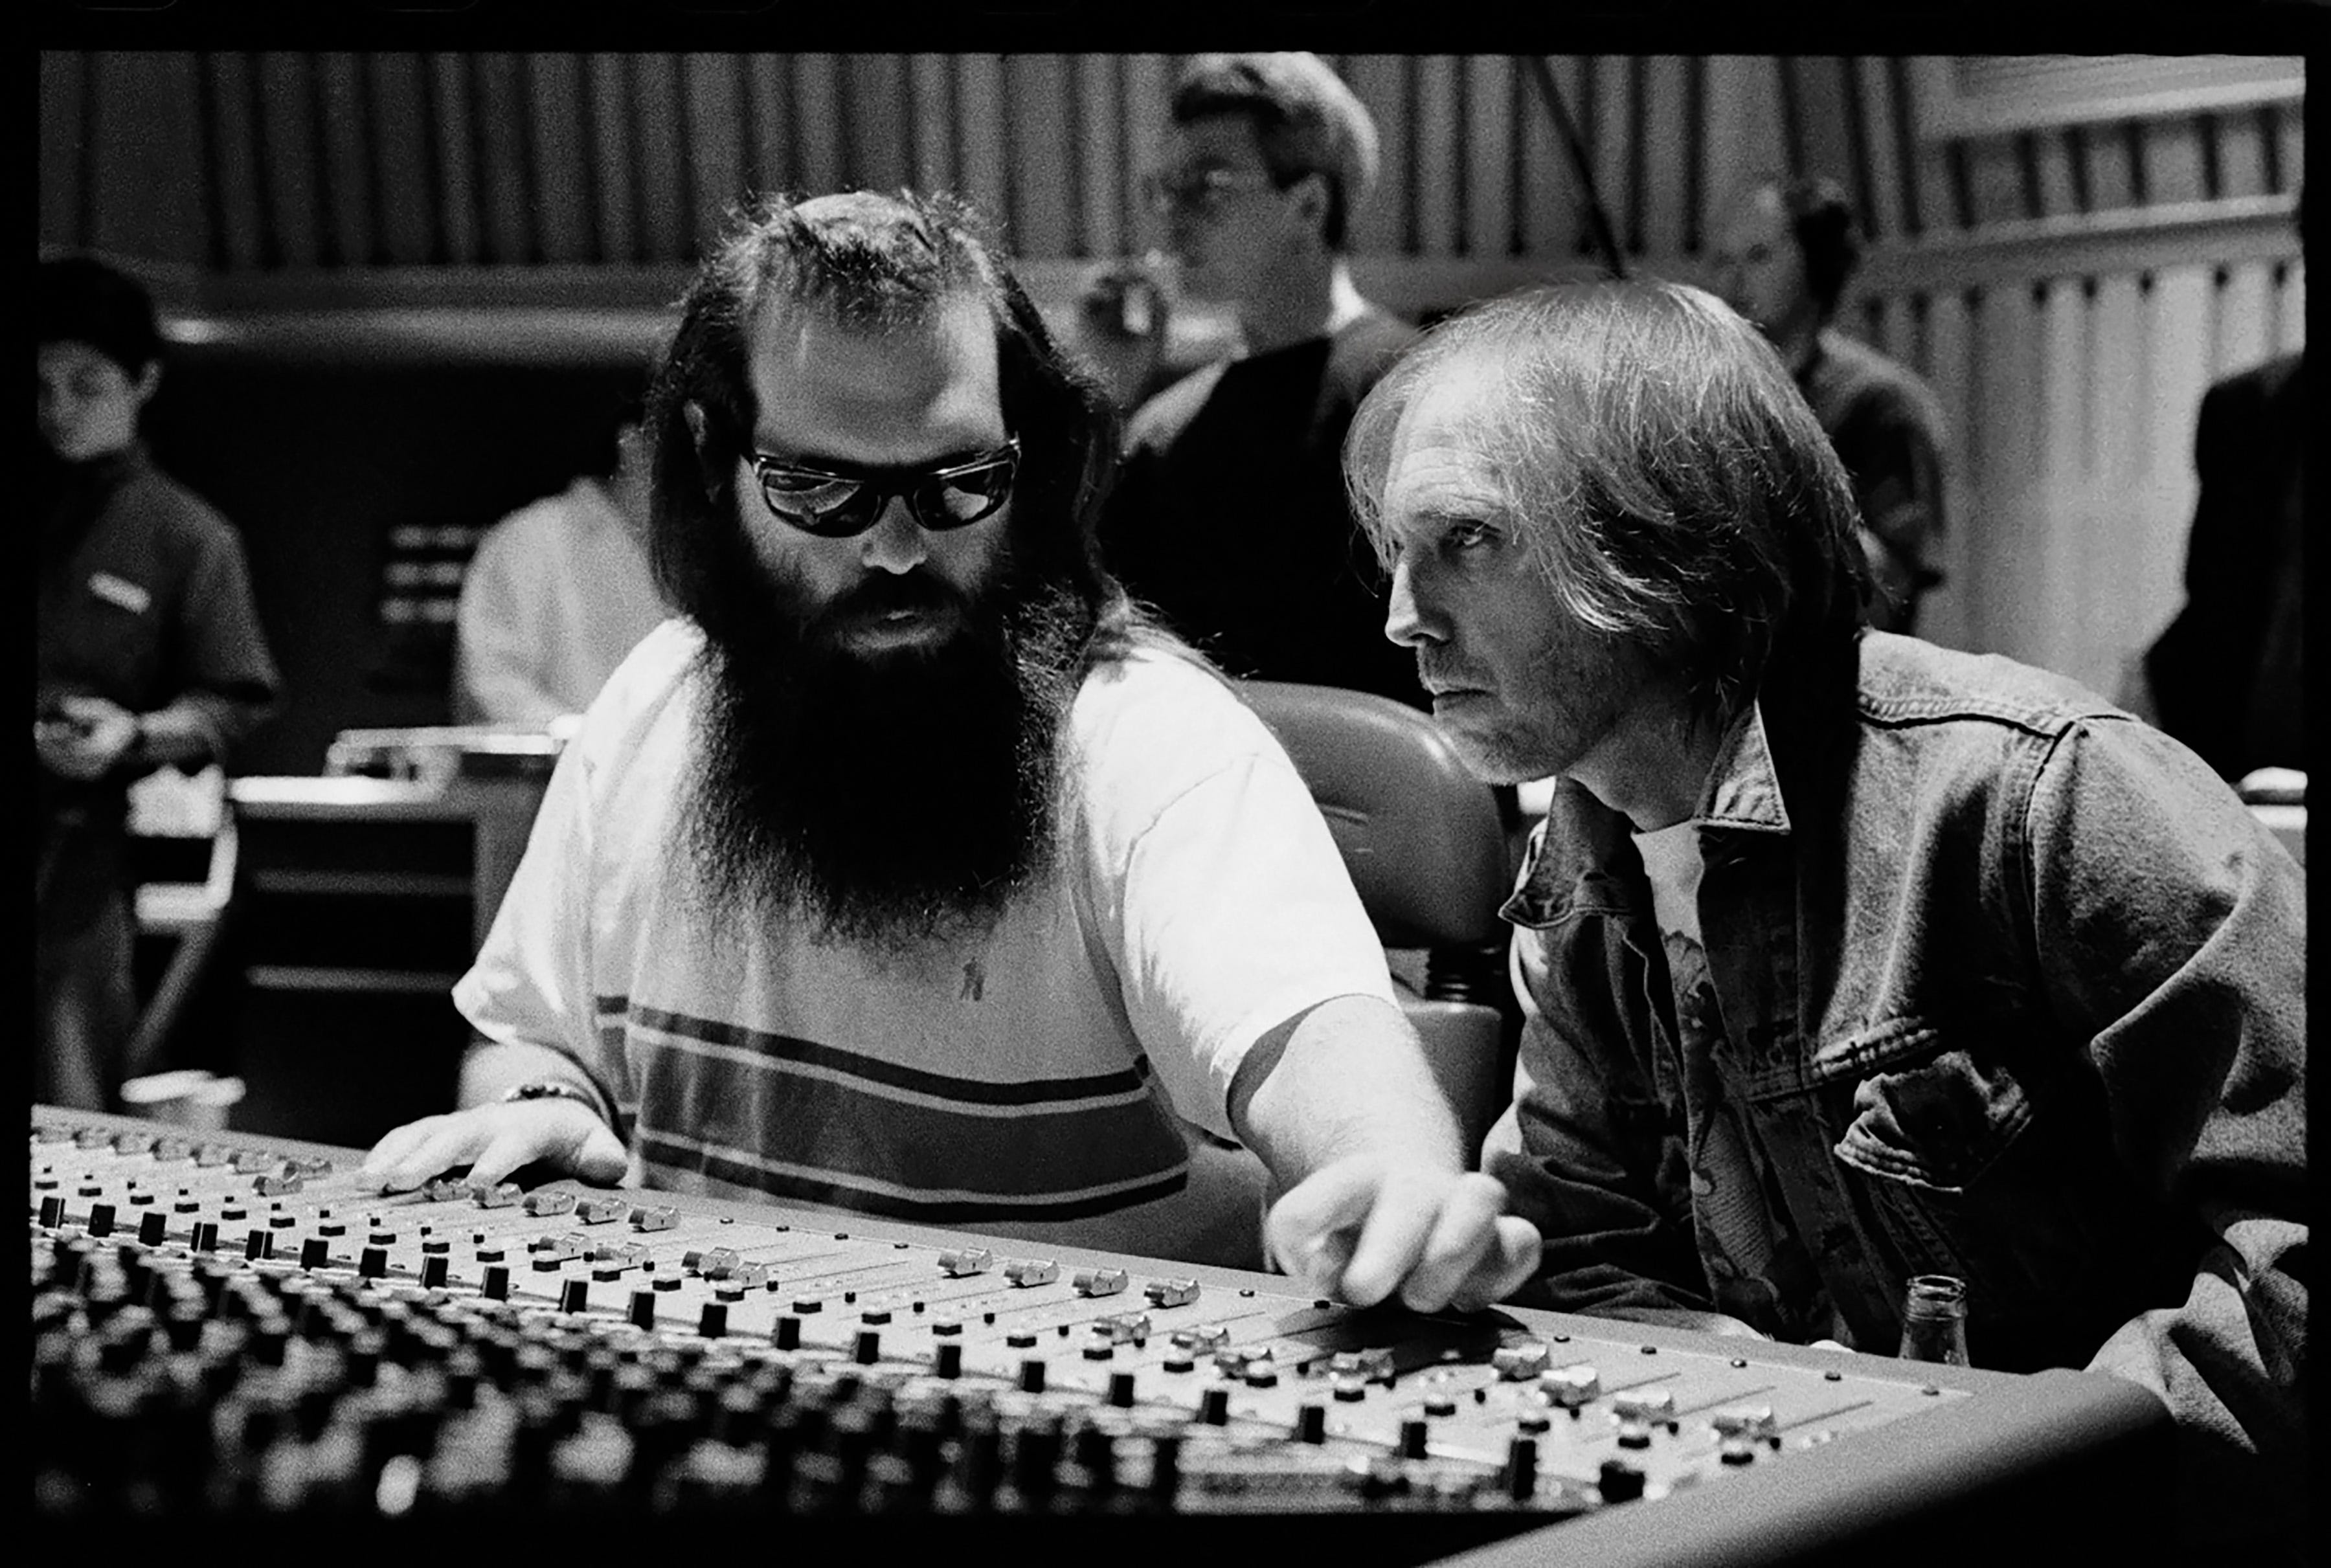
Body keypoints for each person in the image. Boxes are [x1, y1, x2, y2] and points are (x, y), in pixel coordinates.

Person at [362, 189, 1540, 1312]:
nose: (894, 550)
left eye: (958, 484)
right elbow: (531, 1042)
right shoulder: (650, 703)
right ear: (716, 459)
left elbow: (1315, 1038)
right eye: (821, 489)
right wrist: (543, 1103)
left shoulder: (1149, 740)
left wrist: (1388, 1171)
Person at [1344, 279, 2306, 1554]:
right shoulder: (1580, 874)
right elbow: (1578, 1260)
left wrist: (1990, 1473)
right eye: (1396, 552)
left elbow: (2293, 1267)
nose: (1403, 615)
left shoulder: (2043, 792)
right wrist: (1785, 1434)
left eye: (1466, 538)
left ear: (1667, 539)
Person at [1099, 52, 1424, 707]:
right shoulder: (1160, 429)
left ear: (1307, 205)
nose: (1172, 218)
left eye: (1207, 187)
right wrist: (1102, 392)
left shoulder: (1414, 389)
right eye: (1164, 190)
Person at [36, 254, 282, 1110]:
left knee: (67, 1109)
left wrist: (131, 736)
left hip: (73, 868)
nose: (58, 409)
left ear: (143, 382)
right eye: (40, 385)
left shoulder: (185, 535)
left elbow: (235, 700)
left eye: (86, 385)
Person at [1713, 175, 1950, 636]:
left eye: (1758, 255)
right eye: (1722, 260)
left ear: (1816, 263)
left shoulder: (1881, 402)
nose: (1731, 281)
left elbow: (1888, 592)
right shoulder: (1715, 399)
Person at [453, 409, 671, 726]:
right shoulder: (532, 537)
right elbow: (494, 681)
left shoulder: (691, 552)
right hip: (556, 753)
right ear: (631, 444)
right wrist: (588, 740)